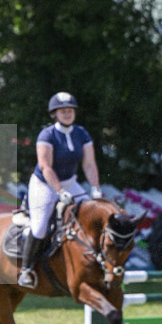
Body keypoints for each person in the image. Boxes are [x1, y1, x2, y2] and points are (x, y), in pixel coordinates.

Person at [18, 91, 103, 288]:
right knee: (40, 227)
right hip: (45, 184)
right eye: (62, 111)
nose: (67, 113)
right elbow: (45, 166)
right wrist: (59, 191)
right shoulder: (47, 135)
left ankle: (99, 263)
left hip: (70, 182)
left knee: (93, 214)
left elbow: (89, 164)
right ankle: (26, 270)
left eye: (70, 110)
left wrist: (95, 188)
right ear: (54, 114)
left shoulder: (82, 133)